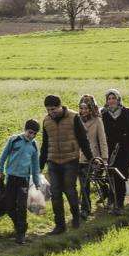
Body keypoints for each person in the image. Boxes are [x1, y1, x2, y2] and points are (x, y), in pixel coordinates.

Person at [40, 95, 93, 235]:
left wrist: (91, 159)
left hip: (70, 159)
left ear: (60, 106)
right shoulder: (46, 121)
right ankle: (60, 225)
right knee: (55, 193)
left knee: (69, 190)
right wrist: (39, 166)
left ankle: (76, 217)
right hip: (53, 161)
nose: (51, 112)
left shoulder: (73, 117)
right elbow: (45, 145)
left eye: (53, 109)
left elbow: (83, 140)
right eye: (48, 110)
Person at [0, 119, 44, 244]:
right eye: (30, 132)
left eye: (34, 134)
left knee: (22, 206)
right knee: (9, 206)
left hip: (24, 179)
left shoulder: (34, 145)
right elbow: (3, 156)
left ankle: (21, 233)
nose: (31, 136)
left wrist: (36, 181)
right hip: (11, 177)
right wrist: (0, 171)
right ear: (25, 130)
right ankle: (19, 225)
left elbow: (35, 165)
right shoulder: (14, 140)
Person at [100, 90, 129, 214]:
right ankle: (112, 200)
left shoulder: (128, 113)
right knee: (110, 177)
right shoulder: (103, 115)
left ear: (118, 99)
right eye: (109, 98)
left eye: (114, 98)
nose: (111, 100)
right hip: (109, 151)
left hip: (125, 150)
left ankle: (119, 205)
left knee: (120, 176)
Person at [77, 96, 108, 219]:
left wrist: (104, 158)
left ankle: (85, 208)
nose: (83, 110)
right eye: (81, 108)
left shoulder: (97, 121)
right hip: (77, 155)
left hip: (92, 157)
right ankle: (86, 206)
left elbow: (102, 140)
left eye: (85, 108)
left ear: (91, 109)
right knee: (83, 182)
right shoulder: (76, 120)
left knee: (85, 182)